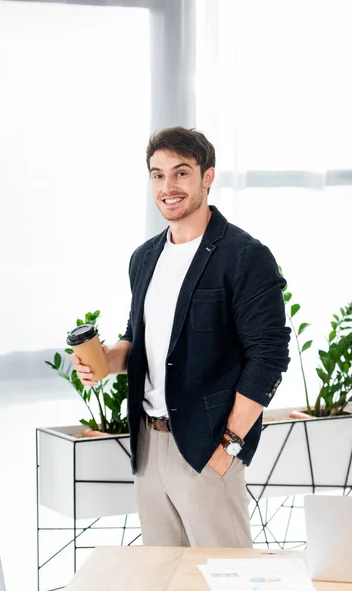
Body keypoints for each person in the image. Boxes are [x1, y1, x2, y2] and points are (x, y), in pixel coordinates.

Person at [72, 126, 290, 548]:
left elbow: (268, 356)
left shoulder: (244, 256)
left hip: (207, 445)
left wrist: (229, 445)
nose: (167, 187)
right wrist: (105, 360)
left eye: (181, 173)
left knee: (228, 582)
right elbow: (136, 339)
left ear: (207, 177)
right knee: (167, 582)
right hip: (149, 446)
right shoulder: (144, 257)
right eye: (157, 175)